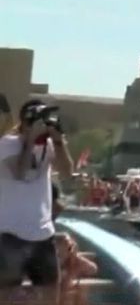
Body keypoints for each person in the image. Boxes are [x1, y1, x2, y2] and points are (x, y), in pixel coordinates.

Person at [0, 99, 74, 304]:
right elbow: (20, 173)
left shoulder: (49, 146)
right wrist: (30, 140)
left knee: (51, 292)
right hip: (11, 235)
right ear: (26, 123)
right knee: (5, 294)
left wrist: (59, 142)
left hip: (42, 233)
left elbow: (68, 173)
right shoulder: (7, 144)